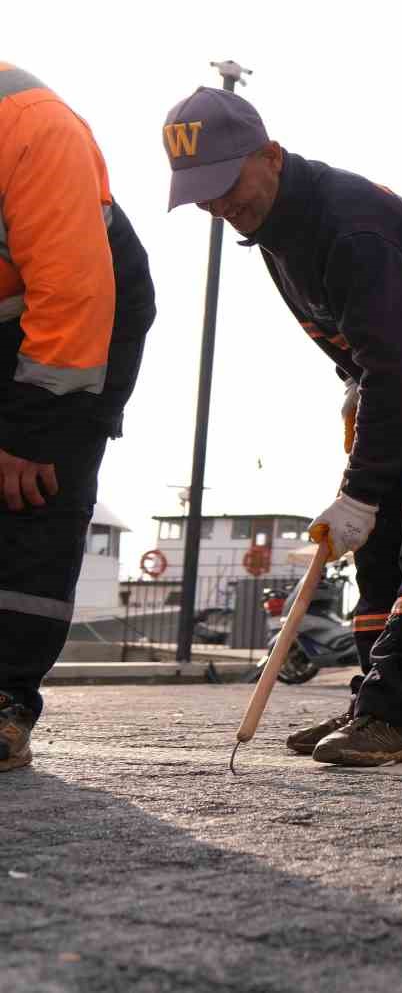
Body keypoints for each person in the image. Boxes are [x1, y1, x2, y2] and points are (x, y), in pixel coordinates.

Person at [165, 87, 402, 765]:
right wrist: (352, 391)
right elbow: (361, 351)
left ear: (271, 157)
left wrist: (362, 488)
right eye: (205, 196)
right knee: (376, 543)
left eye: (227, 185)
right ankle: (373, 700)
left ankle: (395, 715)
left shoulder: (348, 227)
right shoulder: (274, 228)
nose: (222, 207)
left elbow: (395, 371)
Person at [0, 63, 156, 772]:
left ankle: (5, 700)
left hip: (85, 317)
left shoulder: (31, 127)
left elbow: (71, 292)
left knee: (33, 491)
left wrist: (33, 434)